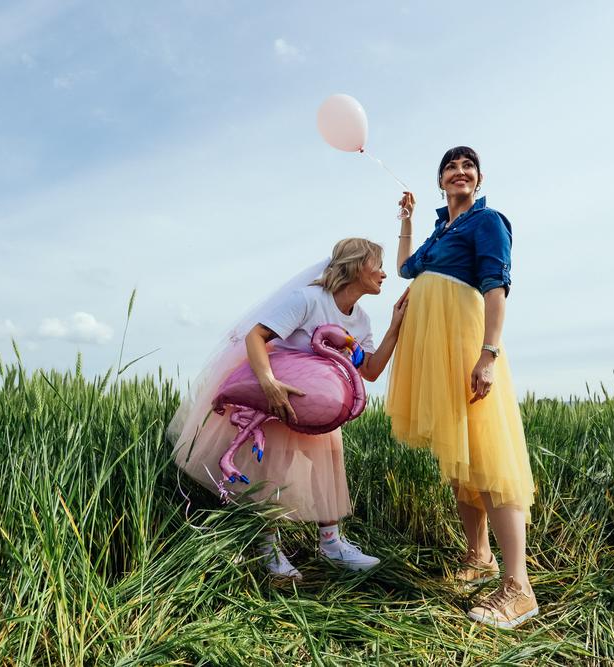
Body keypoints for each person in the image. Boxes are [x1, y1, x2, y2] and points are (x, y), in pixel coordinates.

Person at [170, 238, 408, 580]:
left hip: (321, 406)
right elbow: (257, 336)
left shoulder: (361, 320)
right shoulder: (308, 300)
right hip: (283, 398)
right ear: (356, 266)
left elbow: (369, 370)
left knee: (328, 465)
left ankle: (331, 543)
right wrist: (268, 384)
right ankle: (267, 546)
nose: (384, 274)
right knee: (274, 471)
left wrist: (396, 326)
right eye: (378, 265)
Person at [386, 146, 538, 628]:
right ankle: (479, 559)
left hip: (466, 342)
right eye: (450, 167)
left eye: (467, 166)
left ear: (479, 177)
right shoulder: (440, 229)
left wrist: (488, 354)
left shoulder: (486, 220)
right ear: (440, 181)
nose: (459, 172)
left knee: (490, 457)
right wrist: (407, 220)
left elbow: (496, 286)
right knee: (461, 460)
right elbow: (407, 269)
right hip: (436, 351)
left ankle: (519, 587)